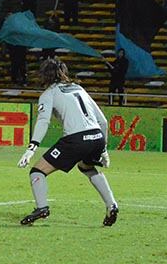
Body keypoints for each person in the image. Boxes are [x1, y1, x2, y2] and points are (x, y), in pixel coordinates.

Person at [17, 58, 117, 227]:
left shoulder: (48, 93)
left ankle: (42, 208)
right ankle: (111, 205)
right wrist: (104, 149)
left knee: (37, 172)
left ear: (44, 75)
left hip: (76, 139)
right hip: (97, 137)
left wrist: (31, 149)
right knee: (86, 167)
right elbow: (104, 121)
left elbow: (43, 121)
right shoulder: (79, 89)